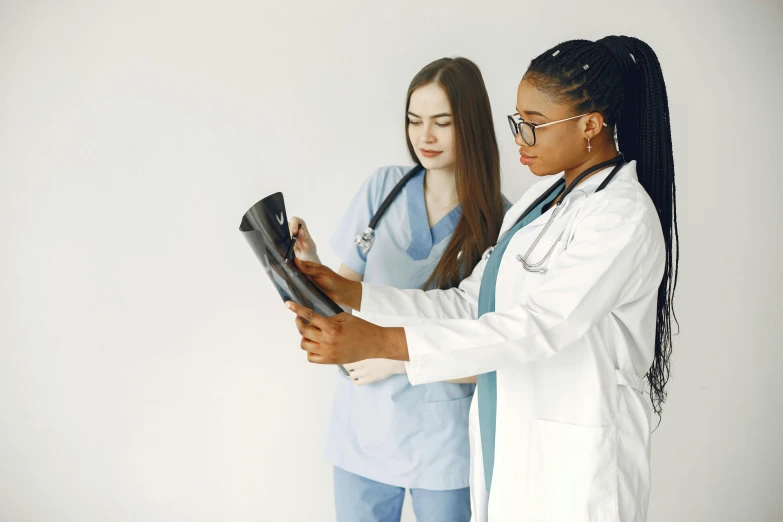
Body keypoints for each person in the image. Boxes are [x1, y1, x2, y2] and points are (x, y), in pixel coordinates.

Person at [287, 35, 679, 521]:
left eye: (533, 125)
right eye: (518, 122)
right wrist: (348, 290)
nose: (518, 138)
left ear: (590, 126)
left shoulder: (620, 217)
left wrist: (382, 344)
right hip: (511, 455)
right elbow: (468, 303)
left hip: (576, 470)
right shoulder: (538, 206)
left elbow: (538, 326)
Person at [289, 57, 509, 522]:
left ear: (470, 125)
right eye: (414, 121)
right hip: (362, 428)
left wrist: (396, 362)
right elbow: (342, 301)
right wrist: (308, 262)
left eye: (442, 123)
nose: (424, 137)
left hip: (442, 444)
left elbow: (492, 352)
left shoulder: (501, 224)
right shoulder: (383, 188)